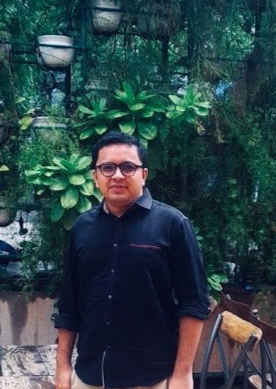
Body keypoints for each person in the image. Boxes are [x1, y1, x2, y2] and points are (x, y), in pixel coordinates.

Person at [55, 131, 209, 389]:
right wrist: (62, 367)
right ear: (95, 176)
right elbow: (69, 304)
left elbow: (194, 303)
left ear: (143, 174)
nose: (117, 175)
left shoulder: (173, 224)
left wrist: (183, 374)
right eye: (107, 168)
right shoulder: (82, 227)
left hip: (152, 378)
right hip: (89, 376)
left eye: (128, 167)